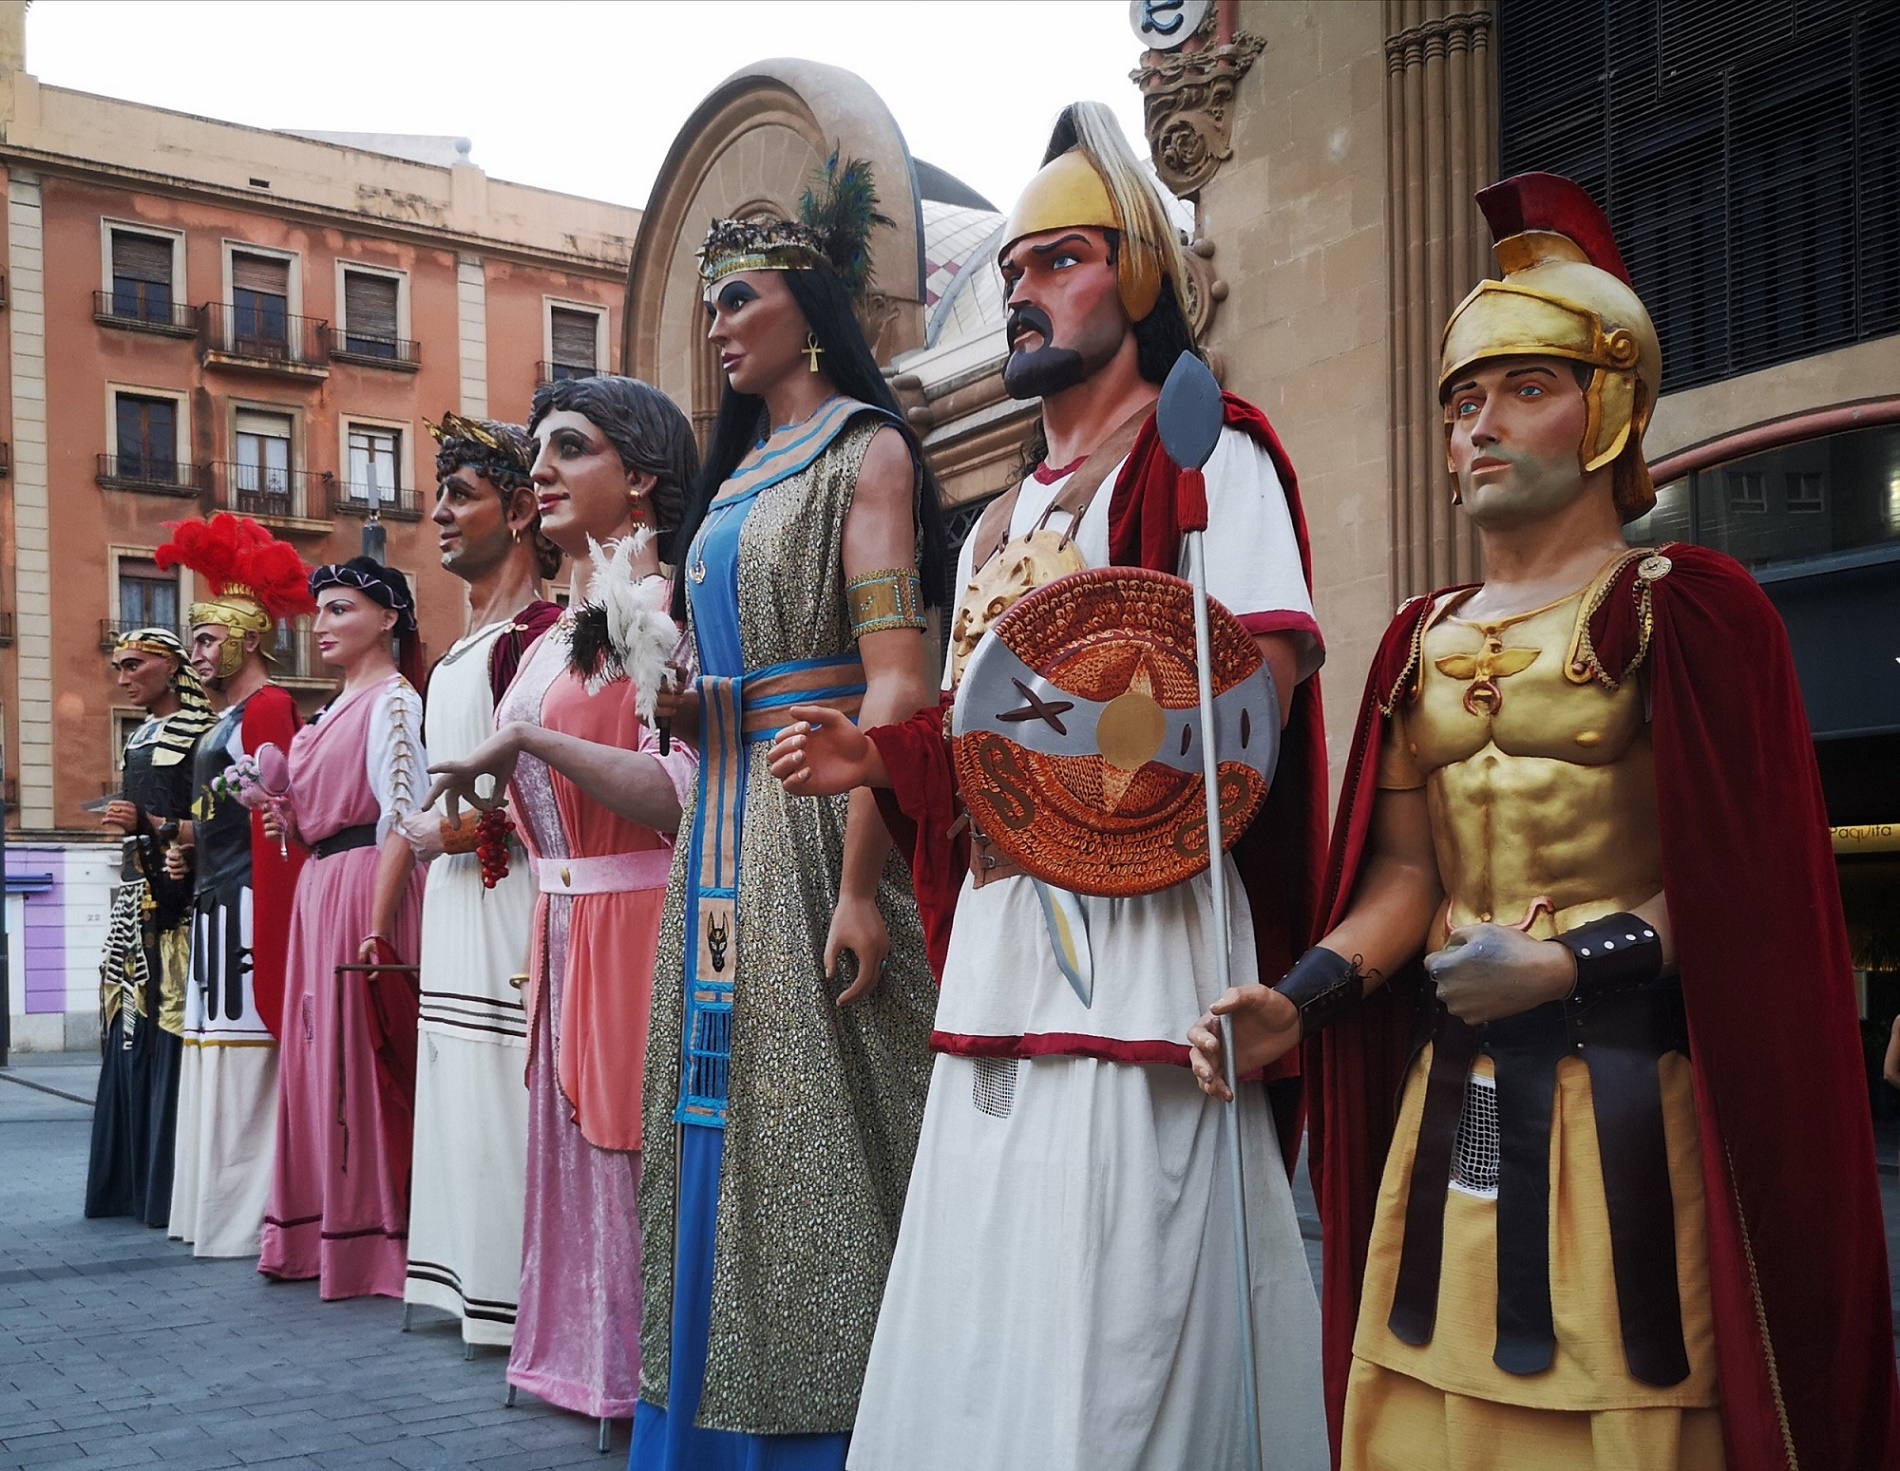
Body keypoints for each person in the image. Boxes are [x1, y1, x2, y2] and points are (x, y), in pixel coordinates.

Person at [1188, 173, 1900, 1470]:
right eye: (1464, 398)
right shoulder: (1417, 637)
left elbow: (1736, 892)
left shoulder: (1689, 607)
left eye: (1526, 387)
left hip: (1630, 1095)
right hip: (1452, 1097)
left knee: (1622, 1406)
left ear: (1612, 403)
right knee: (1426, 1399)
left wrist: (1570, 961)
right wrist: (1303, 994)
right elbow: (1406, 874)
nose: (1480, 425)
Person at [769, 104, 1329, 1470]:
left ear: (1138, 276)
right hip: (1014, 936)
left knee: (1130, 1263)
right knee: (991, 1244)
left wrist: (1077, 737)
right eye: (1012, 267)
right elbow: (982, 745)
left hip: (1148, 935)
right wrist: (885, 760)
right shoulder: (1003, 519)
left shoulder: (1212, 456)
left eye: (1059, 259)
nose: (1022, 289)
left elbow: (1256, 701)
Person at [629, 155, 944, 1470]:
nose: (714, 327)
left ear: (806, 308)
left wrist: (866, 879)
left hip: (821, 829)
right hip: (720, 838)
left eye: (735, 298)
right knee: (705, 1118)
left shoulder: (866, 452)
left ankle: (837, 1422)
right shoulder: (739, 473)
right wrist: (675, 698)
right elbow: (728, 685)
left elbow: (900, 682)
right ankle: (704, 1410)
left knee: (821, 1130)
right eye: (708, 305)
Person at [424, 377, 698, 1426]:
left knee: (631, 1148)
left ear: (640, 477)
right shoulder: (557, 633)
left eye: (568, 448)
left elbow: (678, 795)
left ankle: (646, 1374)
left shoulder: (661, 612)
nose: (539, 470)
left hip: (636, 915)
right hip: (561, 917)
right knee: (578, 1148)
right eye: (537, 450)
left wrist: (531, 741)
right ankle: (581, 1360)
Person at [397, 415, 562, 1350]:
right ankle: (469, 1282)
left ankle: (515, 1290)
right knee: (461, 1080)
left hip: (510, 906)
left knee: (507, 1085)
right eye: (441, 495)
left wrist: (440, 831)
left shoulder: (541, 636)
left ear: (524, 508)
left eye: (461, 493)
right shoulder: (463, 647)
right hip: (459, 904)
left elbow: (541, 795)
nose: (441, 512)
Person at [258, 558, 427, 1301]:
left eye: (340, 609)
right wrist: (289, 818)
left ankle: (375, 1242)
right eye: (318, 612)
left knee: (362, 1058)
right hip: (321, 886)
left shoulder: (394, 702)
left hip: (365, 887)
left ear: (388, 618)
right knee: (318, 1055)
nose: (320, 625)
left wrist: (378, 922)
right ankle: (321, 1226)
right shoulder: (332, 707)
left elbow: (402, 817)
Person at [154, 514, 313, 1257]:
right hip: (219, 901)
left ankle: (251, 1215)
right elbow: (218, 813)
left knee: (249, 1049)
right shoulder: (225, 718)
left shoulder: (272, 706)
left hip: (251, 903)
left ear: (250, 638)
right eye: (195, 638)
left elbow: (275, 817)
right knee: (219, 1044)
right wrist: (190, 844)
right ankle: (217, 1212)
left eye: (209, 638)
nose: (196, 652)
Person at [86, 629, 216, 1226]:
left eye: (134, 665)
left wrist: (148, 820)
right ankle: (131, 1183)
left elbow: (209, 822)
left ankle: (158, 1182)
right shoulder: (138, 732)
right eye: (118, 666)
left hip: (176, 905)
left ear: (170, 665)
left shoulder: (202, 729)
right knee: (126, 1024)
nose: (123, 677)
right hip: (136, 894)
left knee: (159, 1024)